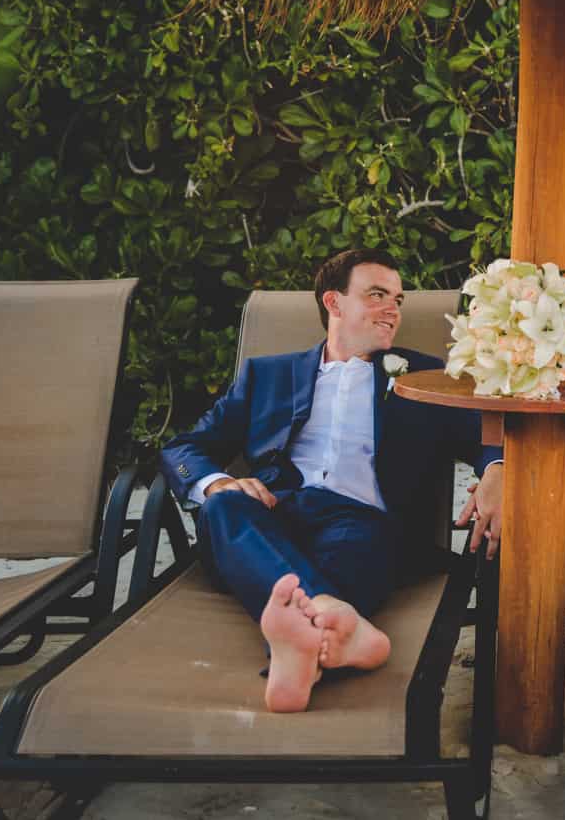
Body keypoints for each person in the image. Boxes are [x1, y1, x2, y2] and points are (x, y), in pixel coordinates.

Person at [161, 249, 504, 713]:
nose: (393, 309)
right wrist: (217, 483)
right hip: (271, 517)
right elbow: (185, 447)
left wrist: (496, 470)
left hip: (360, 522)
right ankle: (335, 620)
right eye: (377, 295)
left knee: (356, 541)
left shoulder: (427, 375)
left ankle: (301, 641)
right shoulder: (268, 375)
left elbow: (488, 433)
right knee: (223, 506)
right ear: (333, 302)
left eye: (398, 300)